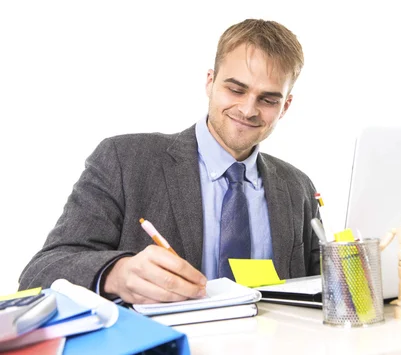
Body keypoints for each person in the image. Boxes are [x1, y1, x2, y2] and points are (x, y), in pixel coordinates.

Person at [19, 19, 321, 304]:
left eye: (268, 99)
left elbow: (320, 288)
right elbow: (41, 272)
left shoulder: (298, 187)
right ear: (210, 82)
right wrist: (116, 274)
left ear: (285, 106)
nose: (248, 109)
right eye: (235, 89)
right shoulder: (124, 161)